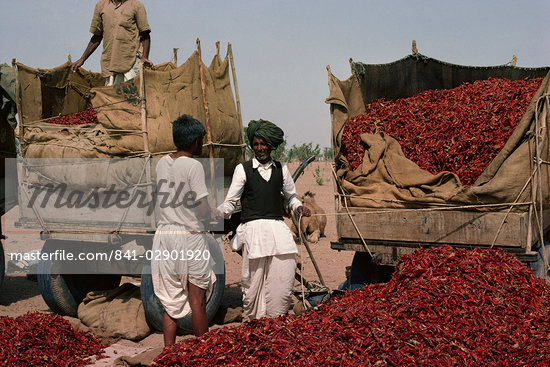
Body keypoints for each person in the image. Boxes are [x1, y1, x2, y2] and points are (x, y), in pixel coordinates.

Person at [219, 119, 311, 320]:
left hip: (277, 231)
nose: (260, 148)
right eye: (256, 144)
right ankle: (255, 322)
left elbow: (291, 197)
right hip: (253, 232)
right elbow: (230, 201)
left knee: (282, 279)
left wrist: (298, 206)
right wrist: (219, 214)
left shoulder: (282, 169)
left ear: (271, 145)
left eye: (263, 144)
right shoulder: (243, 169)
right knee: (253, 284)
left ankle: (276, 319)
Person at [151, 114, 220, 345]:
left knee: (171, 301)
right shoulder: (193, 166)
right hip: (188, 237)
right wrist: (213, 214)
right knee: (197, 300)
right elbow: (201, 209)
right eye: (200, 140)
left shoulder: (161, 163)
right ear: (194, 142)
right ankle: (203, 353)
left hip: (165, 236)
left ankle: (168, 353)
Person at [70, 0, 153, 86]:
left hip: (130, 62)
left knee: (132, 95)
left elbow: (145, 34)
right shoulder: (101, 5)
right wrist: (82, 59)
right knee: (112, 96)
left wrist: (144, 57)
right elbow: (97, 36)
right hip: (109, 63)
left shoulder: (136, 5)